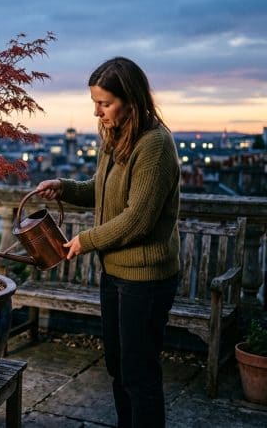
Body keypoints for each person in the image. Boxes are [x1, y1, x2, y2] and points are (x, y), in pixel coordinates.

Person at [36, 57, 180, 428]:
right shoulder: (115, 139)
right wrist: (64, 188)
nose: (97, 112)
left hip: (145, 280)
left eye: (105, 103)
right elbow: (100, 191)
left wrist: (86, 240)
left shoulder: (155, 146)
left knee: (138, 372)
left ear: (130, 100)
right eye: (94, 104)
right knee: (117, 366)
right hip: (114, 274)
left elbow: (139, 219)